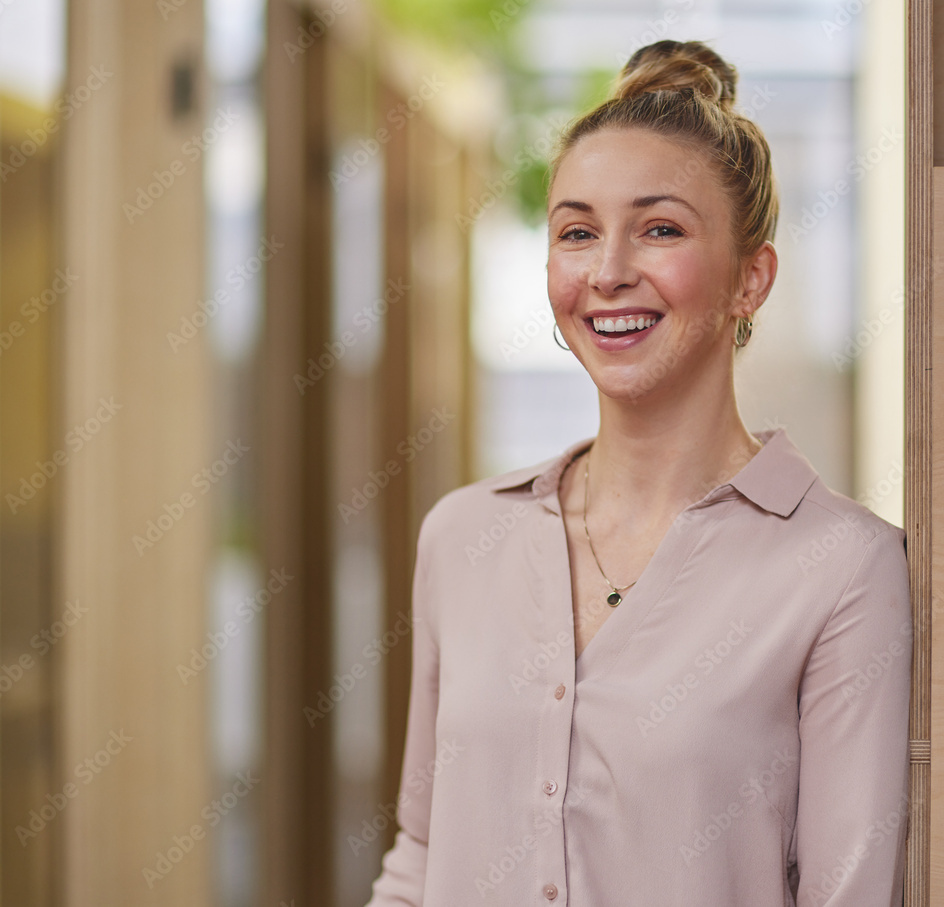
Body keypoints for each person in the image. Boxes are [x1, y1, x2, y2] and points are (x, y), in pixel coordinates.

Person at [363, 39, 911, 906]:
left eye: (660, 228)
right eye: (577, 232)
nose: (610, 272)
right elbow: (420, 856)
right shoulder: (463, 537)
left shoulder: (845, 568)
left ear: (750, 279)